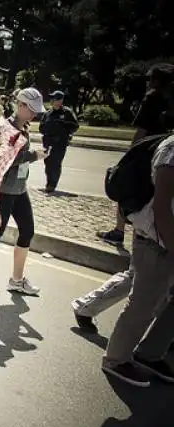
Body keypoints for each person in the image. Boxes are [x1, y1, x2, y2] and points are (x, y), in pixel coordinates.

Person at [101, 133, 174, 387]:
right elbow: (162, 208)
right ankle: (115, 359)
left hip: (165, 240)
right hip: (156, 241)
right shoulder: (172, 150)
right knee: (143, 303)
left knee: (167, 300)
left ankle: (150, 354)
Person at [0, 88, 48, 295]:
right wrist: (34, 156)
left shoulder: (24, 127)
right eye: (32, 109)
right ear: (21, 106)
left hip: (19, 189)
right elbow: (6, 158)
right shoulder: (5, 128)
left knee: (28, 231)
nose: (35, 114)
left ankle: (16, 280)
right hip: (4, 189)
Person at [97, 63, 174, 246]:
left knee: (129, 188)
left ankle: (120, 230)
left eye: (150, 79)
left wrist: (130, 155)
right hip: (166, 153)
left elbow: (142, 129)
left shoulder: (152, 98)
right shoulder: (170, 99)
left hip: (148, 152)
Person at [39, 90, 79, 193]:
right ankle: (48, 183)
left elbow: (75, 126)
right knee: (48, 163)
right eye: (53, 99)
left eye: (56, 99)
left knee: (56, 163)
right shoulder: (48, 113)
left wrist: (64, 128)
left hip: (60, 143)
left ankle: (52, 185)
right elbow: (41, 127)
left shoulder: (67, 113)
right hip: (48, 142)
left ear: (61, 100)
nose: (53, 101)